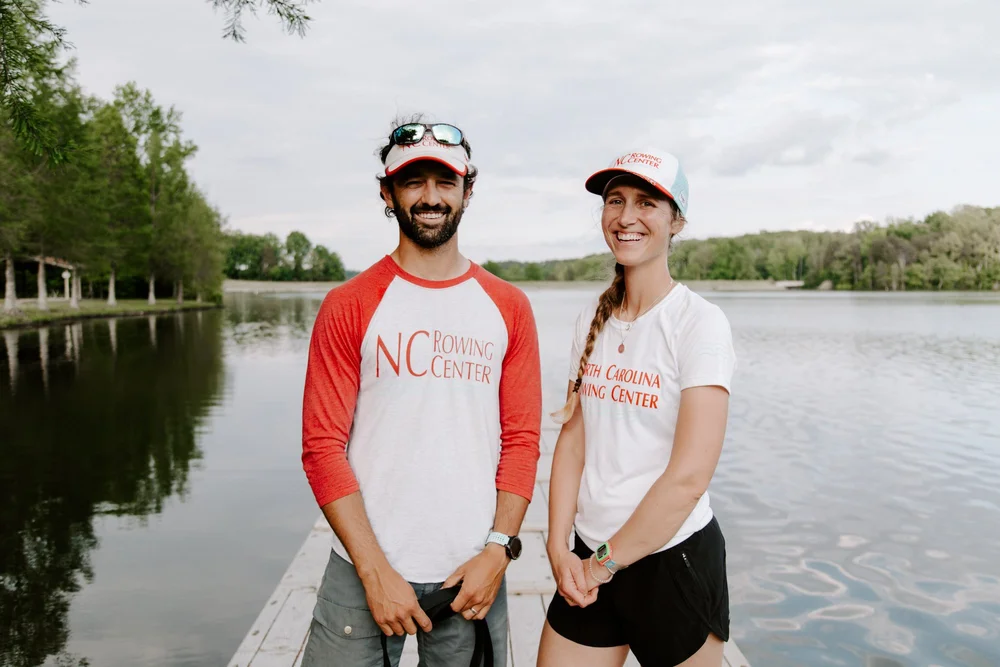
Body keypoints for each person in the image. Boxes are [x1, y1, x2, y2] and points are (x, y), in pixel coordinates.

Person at [300, 116, 542, 667]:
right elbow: (322, 447)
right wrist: (374, 570)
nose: (430, 197)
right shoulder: (350, 303)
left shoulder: (508, 306)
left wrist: (499, 550)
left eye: (445, 182)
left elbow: (523, 439)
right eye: (413, 182)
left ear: (467, 191)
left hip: (470, 574)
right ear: (387, 192)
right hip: (362, 568)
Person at [537, 149, 736, 667]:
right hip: (589, 559)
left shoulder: (699, 323)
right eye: (615, 201)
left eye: (647, 202)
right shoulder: (591, 318)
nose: (626, 216)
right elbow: (574, 443)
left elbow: (689, 477)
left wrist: (603, 565)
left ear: (677, 221)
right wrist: (560, 548)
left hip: (671, 562)